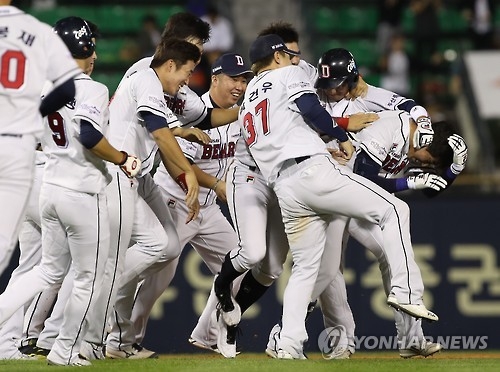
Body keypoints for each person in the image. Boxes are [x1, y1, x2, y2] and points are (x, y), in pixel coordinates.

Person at [237, 33, 437, 360]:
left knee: (311, 268)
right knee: (394, 212)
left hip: (287, 184)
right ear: (276, 57)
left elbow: (406, 107)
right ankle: (402, 295)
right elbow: (310, 109)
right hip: (318, 173)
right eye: (288, 54)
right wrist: (342, 134)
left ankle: (286, 341)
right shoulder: (292, 77)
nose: (294, 59)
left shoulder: (251, 97)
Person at [0, 16, 141, 366]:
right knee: (88, 279)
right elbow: (90, 136)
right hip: (81, 191)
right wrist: (122, 157)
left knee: (47, 271)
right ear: (88, 51)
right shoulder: (90, 88)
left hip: (48, 188)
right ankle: (63, 352)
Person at [106, 52, 253, 356]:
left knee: (241, 265)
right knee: (156, 283)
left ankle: (208, 334)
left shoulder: (241, 116)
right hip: (174, 202)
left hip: (210, 208)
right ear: (215, 78)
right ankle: (121, 342)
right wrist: (216, 183)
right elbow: (180, 161)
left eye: (244, 80)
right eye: (233, 78)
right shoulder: (193, 112)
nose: (239, 85)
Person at [0, 0, 80, 279]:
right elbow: (67, 89)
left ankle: (12, 325)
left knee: (32, 262)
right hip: (30, 163)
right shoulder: (35, 36)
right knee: (68, 259)